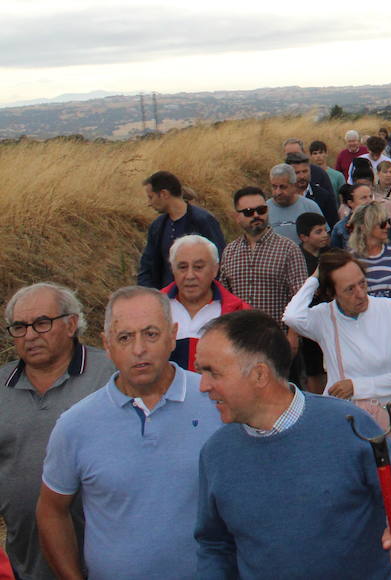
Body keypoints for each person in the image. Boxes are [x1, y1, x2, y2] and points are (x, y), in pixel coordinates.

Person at [194, 310, 391, 578]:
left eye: (212, 373)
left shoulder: (347, 426)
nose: (203, 386)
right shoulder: (216, 453)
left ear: (259, 375)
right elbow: (215, 545)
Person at [38, 287, 219, 580]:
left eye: (150, 334)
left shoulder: (216, 403)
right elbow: (50, 511)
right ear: (107, 344)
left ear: (173, 335)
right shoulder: (75, 425)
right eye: (125, 338)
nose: (139, 349)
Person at [2, 284, 115, 580]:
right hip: (27, 560)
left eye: (41, 323)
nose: (29, 335)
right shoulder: (1, 386)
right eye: (19, 327)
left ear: (71, 324)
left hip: (107, 558)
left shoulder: (111, 376)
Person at [283, 250, 391, 444]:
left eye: (363, 283)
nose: (361, 294)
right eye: (349, 289)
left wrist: (356, 387)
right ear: (331, 293)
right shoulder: (324, 316)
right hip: (346, 422)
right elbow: (292, 316)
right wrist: (316, 277)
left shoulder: (390, 308)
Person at [219, 186, 309, 325]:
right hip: (240, 337)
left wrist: (293, 335)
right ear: (237, 217)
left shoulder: (288, 249)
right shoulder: (230, 252)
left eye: (261, 210)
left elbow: (300, 298)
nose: (256, 215)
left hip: (277, 336)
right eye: (249, 212)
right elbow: (225, 297)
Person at [162, 234, 251, 370]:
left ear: (215, 269)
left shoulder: (239, 314)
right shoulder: (153, 309)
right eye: (182, 267)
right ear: (173, 270)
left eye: (198, 267)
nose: (190, 275)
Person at [137, 170, 226, 289]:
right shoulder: (157, 226)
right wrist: (149, 296)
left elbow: (219, 261)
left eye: (151, 197)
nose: (149, 203)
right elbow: (147, 266)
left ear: (163, 194)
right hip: (167, 301)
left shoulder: (203, 220)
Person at [267, 162, 322, 246]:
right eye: (274, 187)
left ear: (294, 185)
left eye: (283, 187)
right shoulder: (263, 210)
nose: (278, 192)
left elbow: (324, 239)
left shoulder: (310, 207)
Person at [285, 147, 340, 229]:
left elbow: (333, 226)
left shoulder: (324, 196)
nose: (302, 176)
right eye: (297, 173)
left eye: (305, 171)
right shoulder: (284, 198)